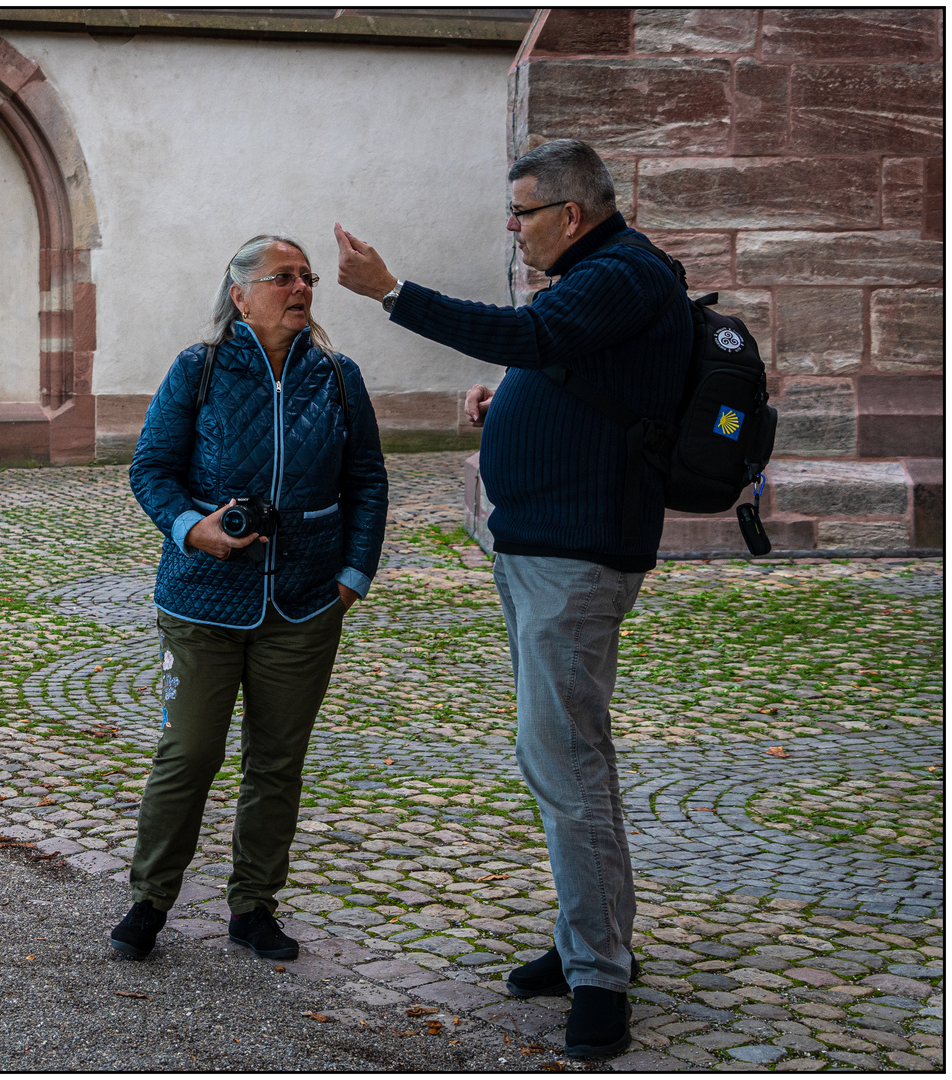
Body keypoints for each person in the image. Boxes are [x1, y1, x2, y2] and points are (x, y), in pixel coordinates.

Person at [334, 139, 690, 1060]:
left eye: (522, 211)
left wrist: (391, 291)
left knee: (569, 766)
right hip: (544, 549)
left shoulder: (621, 271)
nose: (513, 226)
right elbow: (567, 364)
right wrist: (517, 405)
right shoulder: (601, 276)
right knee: (563, 762)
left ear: (571, 212)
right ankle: (586, 942)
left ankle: (601, 979)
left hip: (576, 558)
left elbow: (530, 335)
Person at [112, 233, 388, 963]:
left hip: (303, 604)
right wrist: (188, 528)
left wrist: (352, 575)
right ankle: (148, 900)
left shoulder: (336, 375)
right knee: (188, 753)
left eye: (306, 278)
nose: (299, 288)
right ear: (239, 294)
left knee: (276, 763)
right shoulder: (196, 369)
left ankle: (253, 906)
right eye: (281, 278)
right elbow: (150, 469)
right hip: (201, 602)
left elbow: (366, 480)